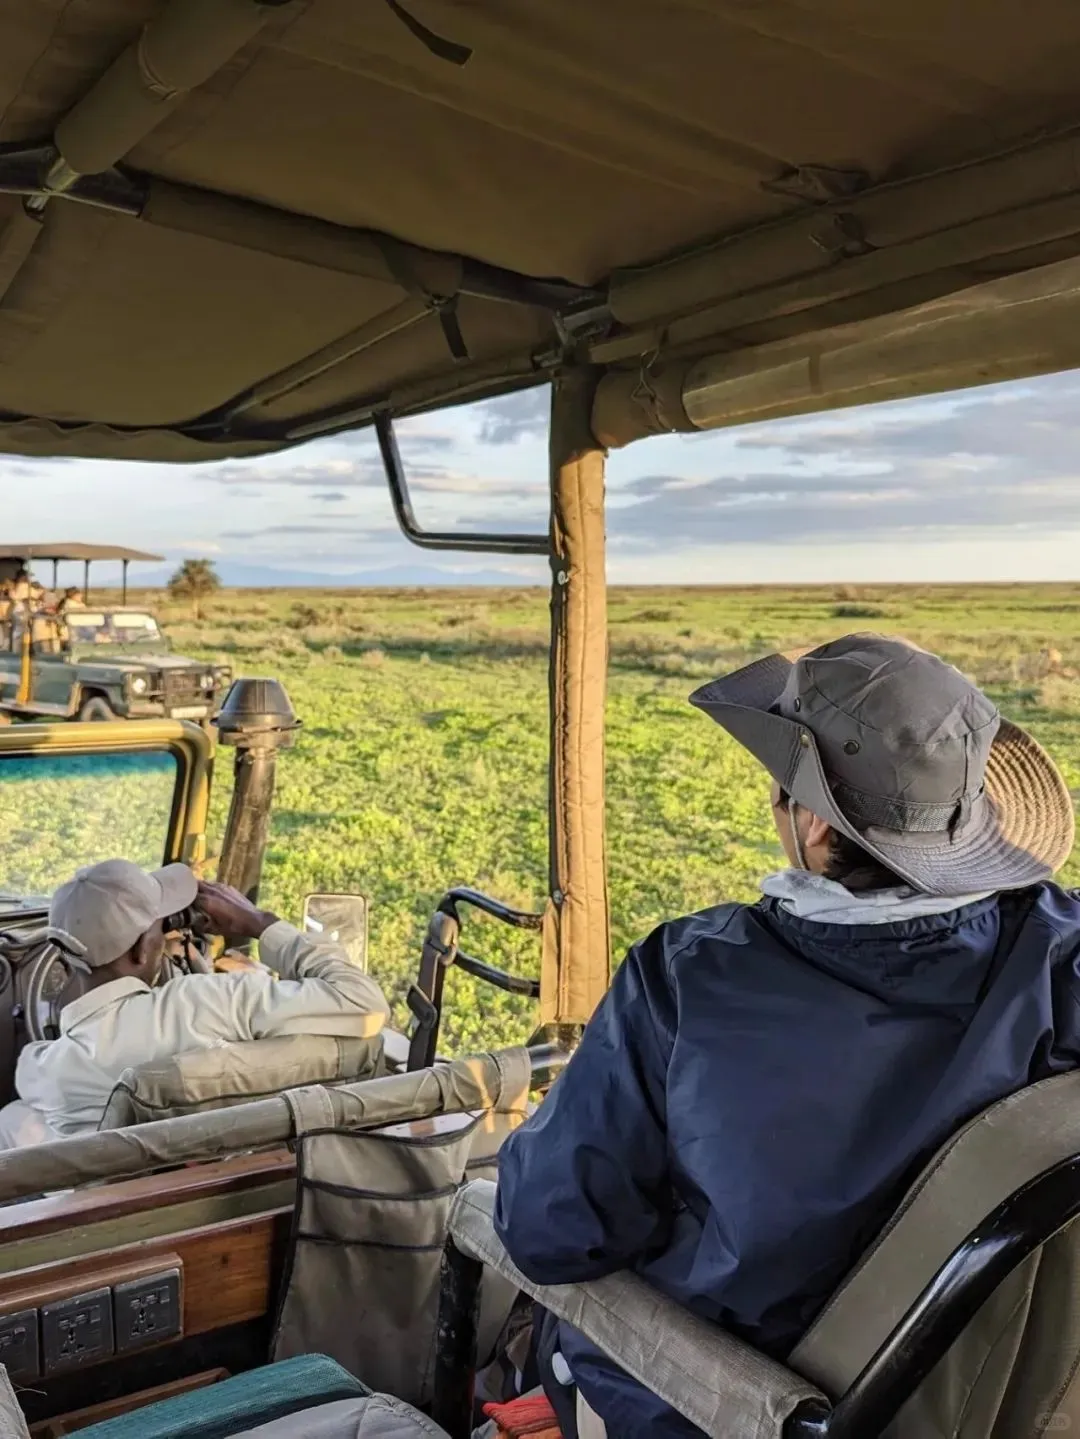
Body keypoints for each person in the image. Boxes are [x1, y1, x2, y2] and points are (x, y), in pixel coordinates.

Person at [495, 633, 1079, 1438]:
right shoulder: (1060, 953)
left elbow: (553, 1227)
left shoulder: (688, 975)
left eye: (779, 793)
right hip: (989, 1398)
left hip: (725, 1405)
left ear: (810, 823)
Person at [7, 859, 391, 1140]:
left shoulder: (48, 1071)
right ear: (144, 950)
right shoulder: (208, 1003)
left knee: (15, 1120)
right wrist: (259, 923)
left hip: (130, 1204)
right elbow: (363, 1003)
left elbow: (31, 1084)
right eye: (162, 928)